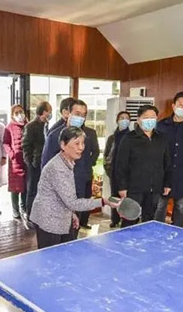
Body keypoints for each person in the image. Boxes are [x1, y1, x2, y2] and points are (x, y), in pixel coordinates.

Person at [30, 126, 117, 249]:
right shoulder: (57, 168)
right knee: (52, 258)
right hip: (48, 220)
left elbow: (65, 196)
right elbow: (72, 202)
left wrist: (71, 214)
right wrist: (103, 202)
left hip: (61, 216)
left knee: (66, 253)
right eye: (77, 143)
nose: (81, 147)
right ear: (63, 145)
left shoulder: (68, 161)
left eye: (82, 143)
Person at [41, 99, 100, 229]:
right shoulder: (55, 136)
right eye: (77, 114)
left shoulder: (87, 135)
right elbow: (46, 166)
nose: (80, 118)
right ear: (68, 114)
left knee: (74, 227)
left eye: (83, 115)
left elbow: (92, 155)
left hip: (80, 185)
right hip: (60, 189)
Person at [115, 105, 171, 227]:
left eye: (152, 117)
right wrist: (122, 187)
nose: (149, 120)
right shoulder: (129, 138)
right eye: (146, 117)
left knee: (149, 219)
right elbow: (121, 164)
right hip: (134, 188)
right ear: (138, 119)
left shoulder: (162, 138)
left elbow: (167, 162)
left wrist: (167, 183)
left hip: (155, 188)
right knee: (129, 219)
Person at [154, 92, 183, 227]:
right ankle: (156, 230)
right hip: (163, 173)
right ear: (173, 106)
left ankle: (178, 231)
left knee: (180, 206)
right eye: (180, 105)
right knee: (160, 205)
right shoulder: (161, 125)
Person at [22, 101, 52, 216]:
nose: (50, 113)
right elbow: (26, 145)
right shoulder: (31, 126)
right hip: (35, 163)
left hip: (46, 162)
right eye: (49, 111)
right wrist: (30, 162)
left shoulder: (47, 125)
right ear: (44, 112)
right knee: (32, 190)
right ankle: (30, 214)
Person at [103, 111, 132, 227]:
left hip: (128, 174)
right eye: (122, 118)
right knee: (114, 197)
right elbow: (106, 155)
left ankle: (126, 220)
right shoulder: (112, 138)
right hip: (114, 173)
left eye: (126, 118)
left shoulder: (132, 137)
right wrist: (109, 171)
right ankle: (114, 219)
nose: (124, 120)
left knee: (126, 198)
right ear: (117, 121)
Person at [3, 104, 27, 219]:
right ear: (12, 115)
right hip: (15, 162)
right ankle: (15, 209)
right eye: (16, 113)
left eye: (21, 112)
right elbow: (5, 143)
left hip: (26, 161)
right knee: (15, 187)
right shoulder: (9, 127)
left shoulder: (28, 125)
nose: (19, 115)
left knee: (25, 186)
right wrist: (12, 155)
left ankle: (24, 208)